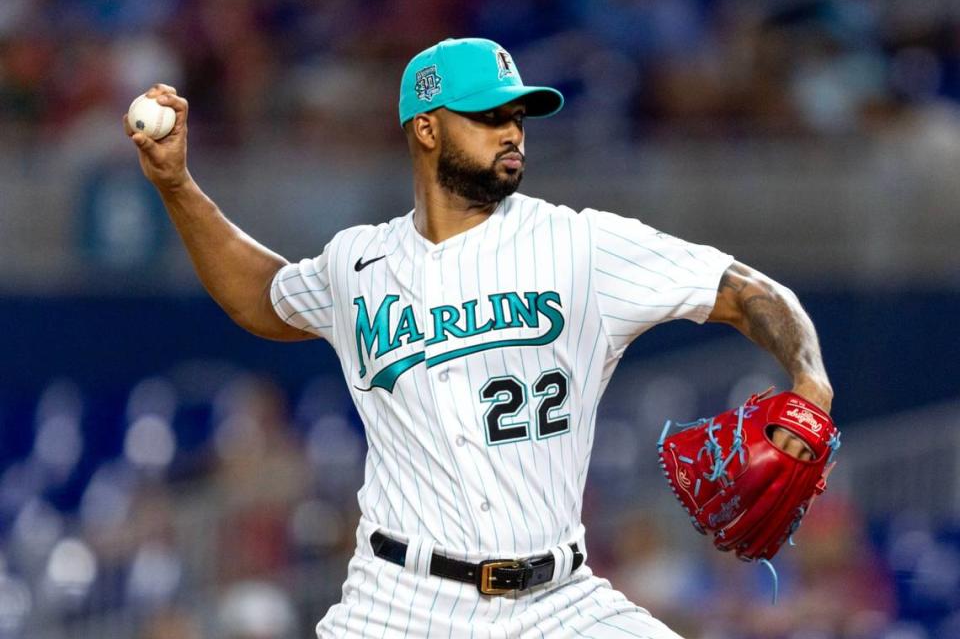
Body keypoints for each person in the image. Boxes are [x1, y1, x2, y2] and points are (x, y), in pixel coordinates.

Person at [125, 37, 833, 639]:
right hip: (397, 603)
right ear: (427, 127)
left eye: (518, 115)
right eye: (489, 115)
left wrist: (810, 382)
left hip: (558, 601)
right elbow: (263, 297)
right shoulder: (356, 263)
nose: (513, 131)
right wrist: (179, 186)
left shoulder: (579, 244)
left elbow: (749, 292)